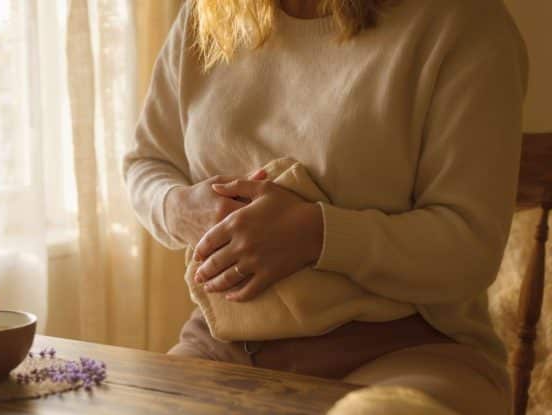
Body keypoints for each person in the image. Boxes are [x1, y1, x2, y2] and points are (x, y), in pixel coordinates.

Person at [123, 0, 528, 413]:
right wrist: (178, 208)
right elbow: (148, 164)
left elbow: (468, 247)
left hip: (411, 354)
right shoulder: (206, 14)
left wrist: (315, 235)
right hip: (223, 348)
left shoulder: (465, 25)